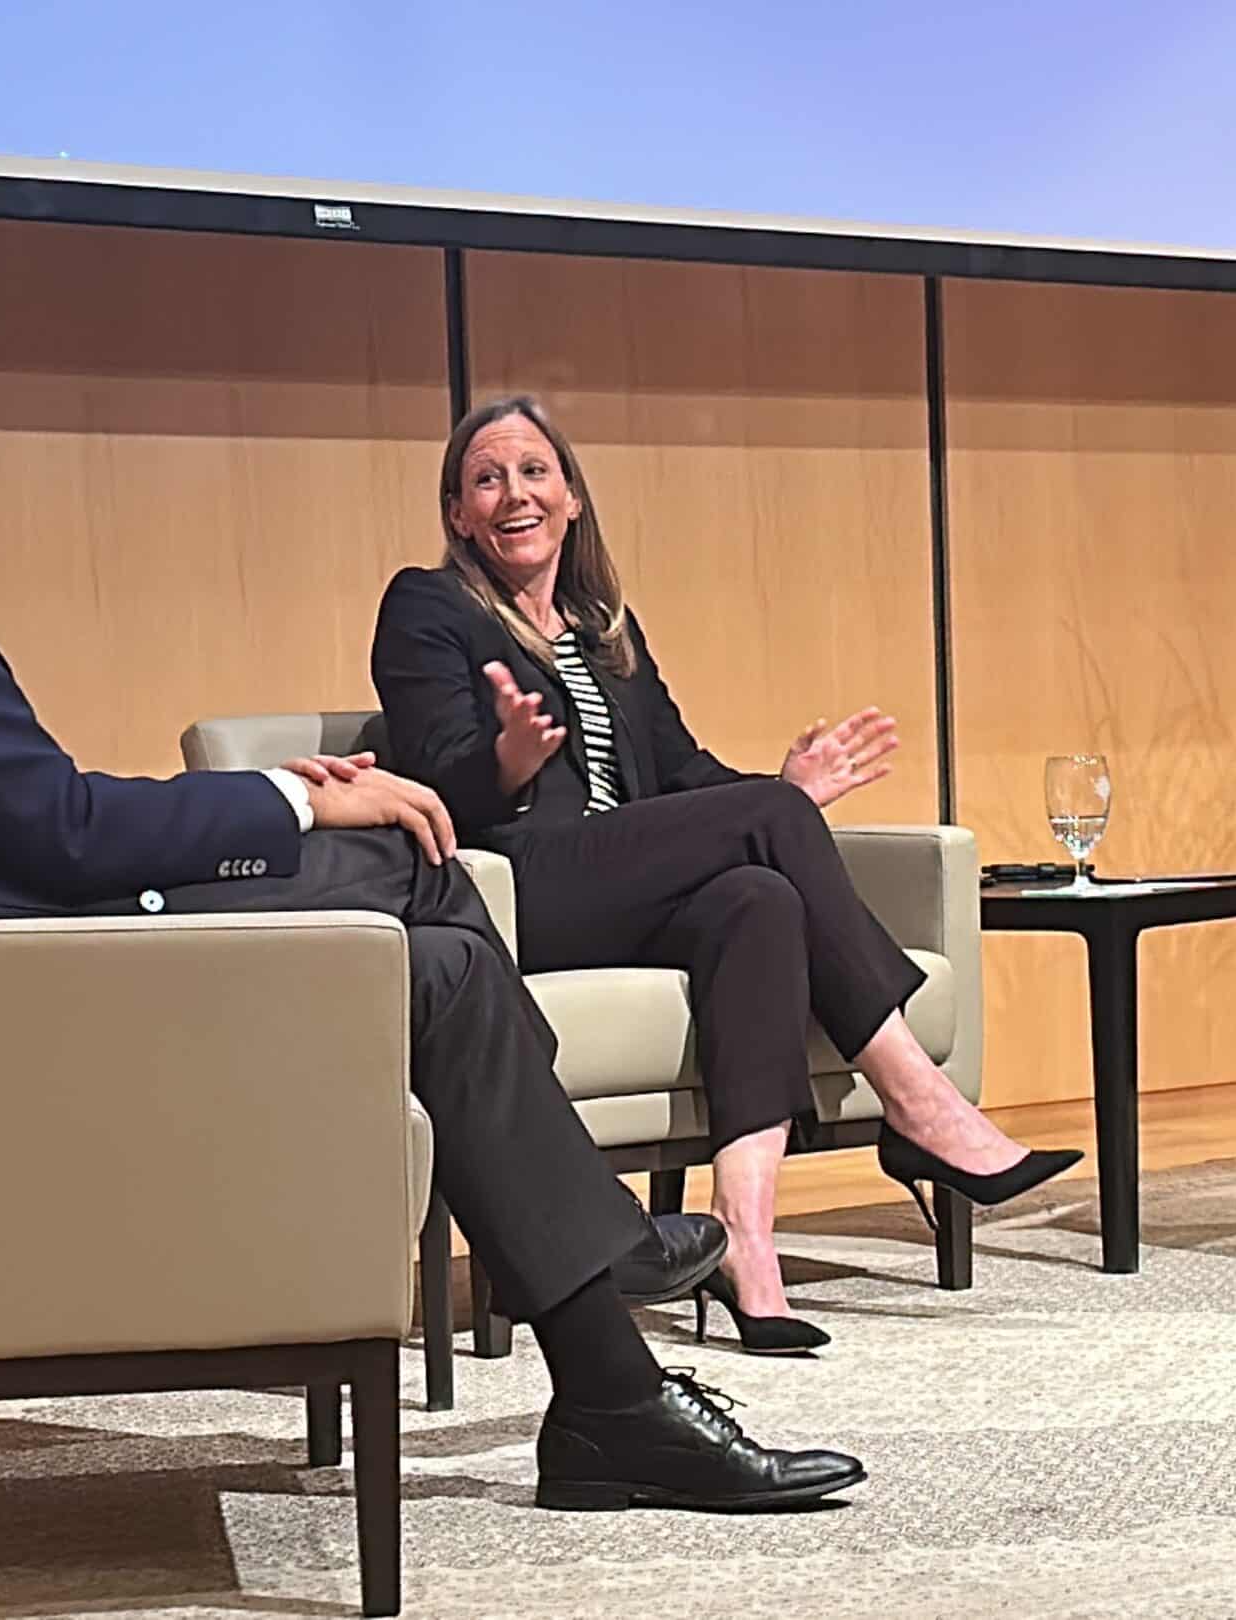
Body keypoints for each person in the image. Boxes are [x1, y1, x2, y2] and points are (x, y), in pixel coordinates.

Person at [0, 256, 863, 1511]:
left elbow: (10, 807)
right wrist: (293, 798)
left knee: (419, 884)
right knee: (418, 913)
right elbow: (58, 830)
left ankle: (606, 1362)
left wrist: (295, 793)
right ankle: (608, 1347)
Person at [369, 395, 1081, 1353]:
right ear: (458, 512)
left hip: (626, 884)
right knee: (764, 837)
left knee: (759, 899)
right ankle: (920, 1102)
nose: (513, 495)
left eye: (535, 472)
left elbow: (686, 774)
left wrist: (784, 792)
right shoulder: (428, 605)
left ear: (573, 497)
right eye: (486, 479)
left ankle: (749, 1250)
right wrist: (504, 757)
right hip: (520, 880)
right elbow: (433, 765)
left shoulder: (606, 629)